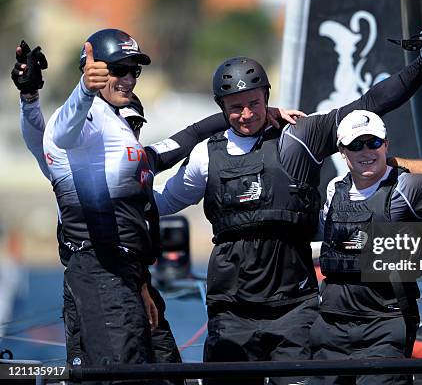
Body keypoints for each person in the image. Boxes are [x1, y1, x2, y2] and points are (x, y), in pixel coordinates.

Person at [154, 23, 422, 385]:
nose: (246, 115)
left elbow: (372, 103)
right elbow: (164, 201)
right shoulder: (206, 155)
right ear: (221, 109)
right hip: (231, 311)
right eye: (235, 108)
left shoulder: (300, 138)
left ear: (266, 97)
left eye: (254, 104)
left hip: (294, 310)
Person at [13, 34, 299, 378]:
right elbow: (56, 135)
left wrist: (256, 115)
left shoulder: (128, 152)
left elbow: (187, 137)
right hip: (97, 267)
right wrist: (74, 91)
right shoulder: (80, 127)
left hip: (131, 274)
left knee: (166, 369)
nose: (129, 79)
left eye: (134, 72)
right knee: (121, 374)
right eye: (119, 71)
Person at [311, 110, 422, 385]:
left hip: (385, 324)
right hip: (332, 324)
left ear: (386, 144)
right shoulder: (333, 189)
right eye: (356, 145)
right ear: (342, 151)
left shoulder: (409, 188)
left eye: (374, 143)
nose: (366, 151)